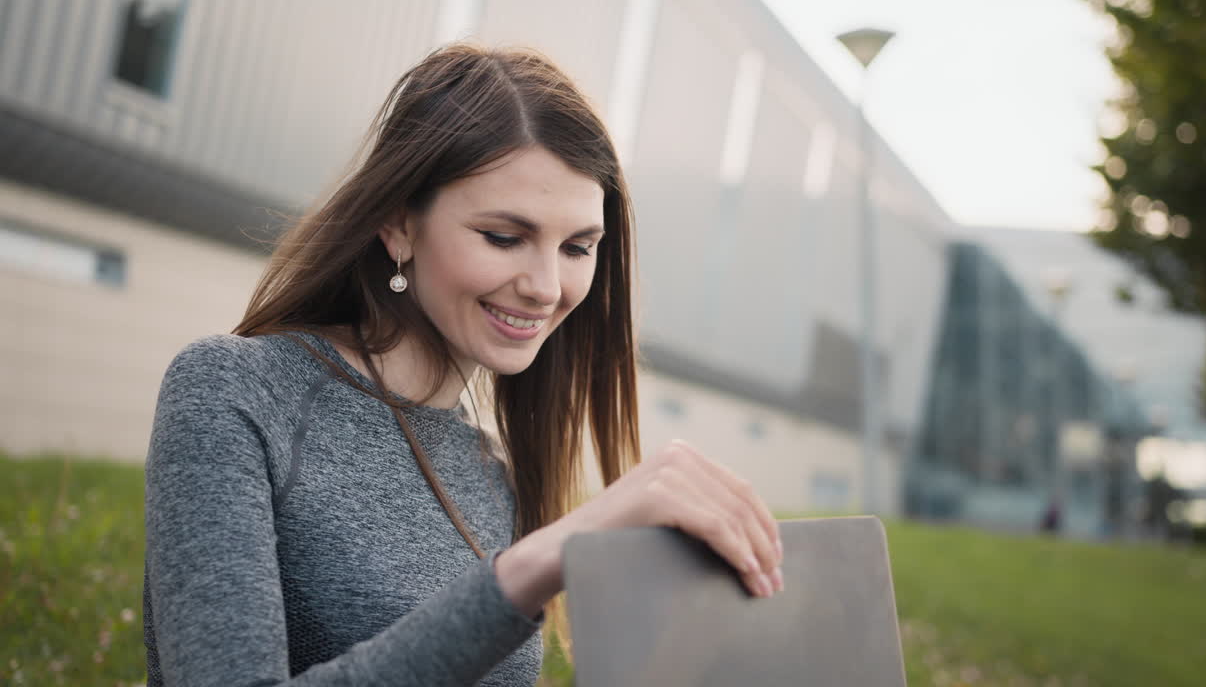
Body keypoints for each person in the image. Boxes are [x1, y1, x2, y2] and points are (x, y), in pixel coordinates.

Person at [142, 43, 785, 687]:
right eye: (505, 237)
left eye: (577, 247)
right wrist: (533, 567)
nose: (545, 286)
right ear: (398, 226)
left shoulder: (493, 474)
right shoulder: (236, 390)